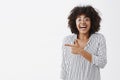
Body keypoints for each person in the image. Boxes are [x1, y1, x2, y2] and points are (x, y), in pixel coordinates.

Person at [60, 5, 107, 80]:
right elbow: (64, 68)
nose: (83, 22)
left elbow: (102, 63)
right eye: (79, 19)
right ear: (74, 22)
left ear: (92, 22)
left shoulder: (99, 38)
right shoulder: (67, 40)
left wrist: (81, 51)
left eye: (86, 19)